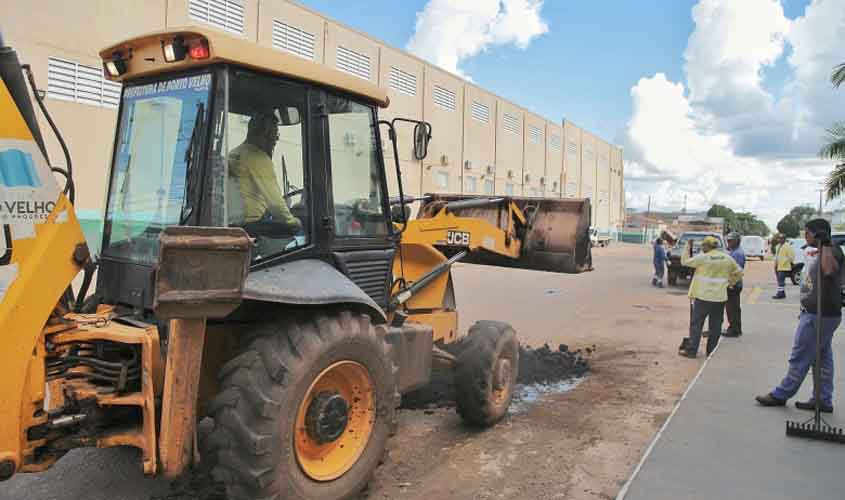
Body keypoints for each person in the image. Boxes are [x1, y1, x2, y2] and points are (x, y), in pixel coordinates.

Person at [756, 219, 843, 412]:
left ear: (818, 234)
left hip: (819, 315)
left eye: (808, 233)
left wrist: (826, 243)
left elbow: (829, 271)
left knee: (800, 356)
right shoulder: (823, 250)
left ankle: (781, 394)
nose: (805, 237)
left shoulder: (832, 250)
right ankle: (822, 399)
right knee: (821, 358)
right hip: (820, 314)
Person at [228, 112, 302, 233]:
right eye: (275, 134)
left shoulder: (235, 153)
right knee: (301, 228)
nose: (275, 140)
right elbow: (276, 205)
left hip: (234, 225)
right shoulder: (257, 156)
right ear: (264, 133)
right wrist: (293, 221)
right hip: (252, 227)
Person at [679, 236, 743, 358]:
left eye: (703, 246)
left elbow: (684, 261)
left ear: (707, 246)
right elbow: (739, 272)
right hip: (719, 298)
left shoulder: (703, 258)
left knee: (696, 324)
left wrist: (688, 247)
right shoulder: (727, 258)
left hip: (703, 297)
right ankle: (711, 351)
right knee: (715, 326)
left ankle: (692, 351)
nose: (702, 248)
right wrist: (730, 283)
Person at [723, 232, 746, 337]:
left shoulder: (737, 253)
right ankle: (736, 328)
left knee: (732, 308)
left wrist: (730, 284)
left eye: (730, 241)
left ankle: (733, 329)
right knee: (734, 307)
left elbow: (737, 271)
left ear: (736, 241)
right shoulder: (734, 251)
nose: (728, 243)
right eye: (728, 241)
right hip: (734, 283)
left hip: (734, 284)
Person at [772, 233, 794, 299]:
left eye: (782, 238)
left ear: (785, 239)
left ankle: (780, 294)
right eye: (779, 238)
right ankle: (782, 293)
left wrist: (785, 262)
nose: (780, 239)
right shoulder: (777, 246)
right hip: (777, 266)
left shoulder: (787, 246)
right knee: (779, 280)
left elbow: (791, 257)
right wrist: (775, 264)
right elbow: (777, 256)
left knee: (781, 281)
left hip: (784, 267)